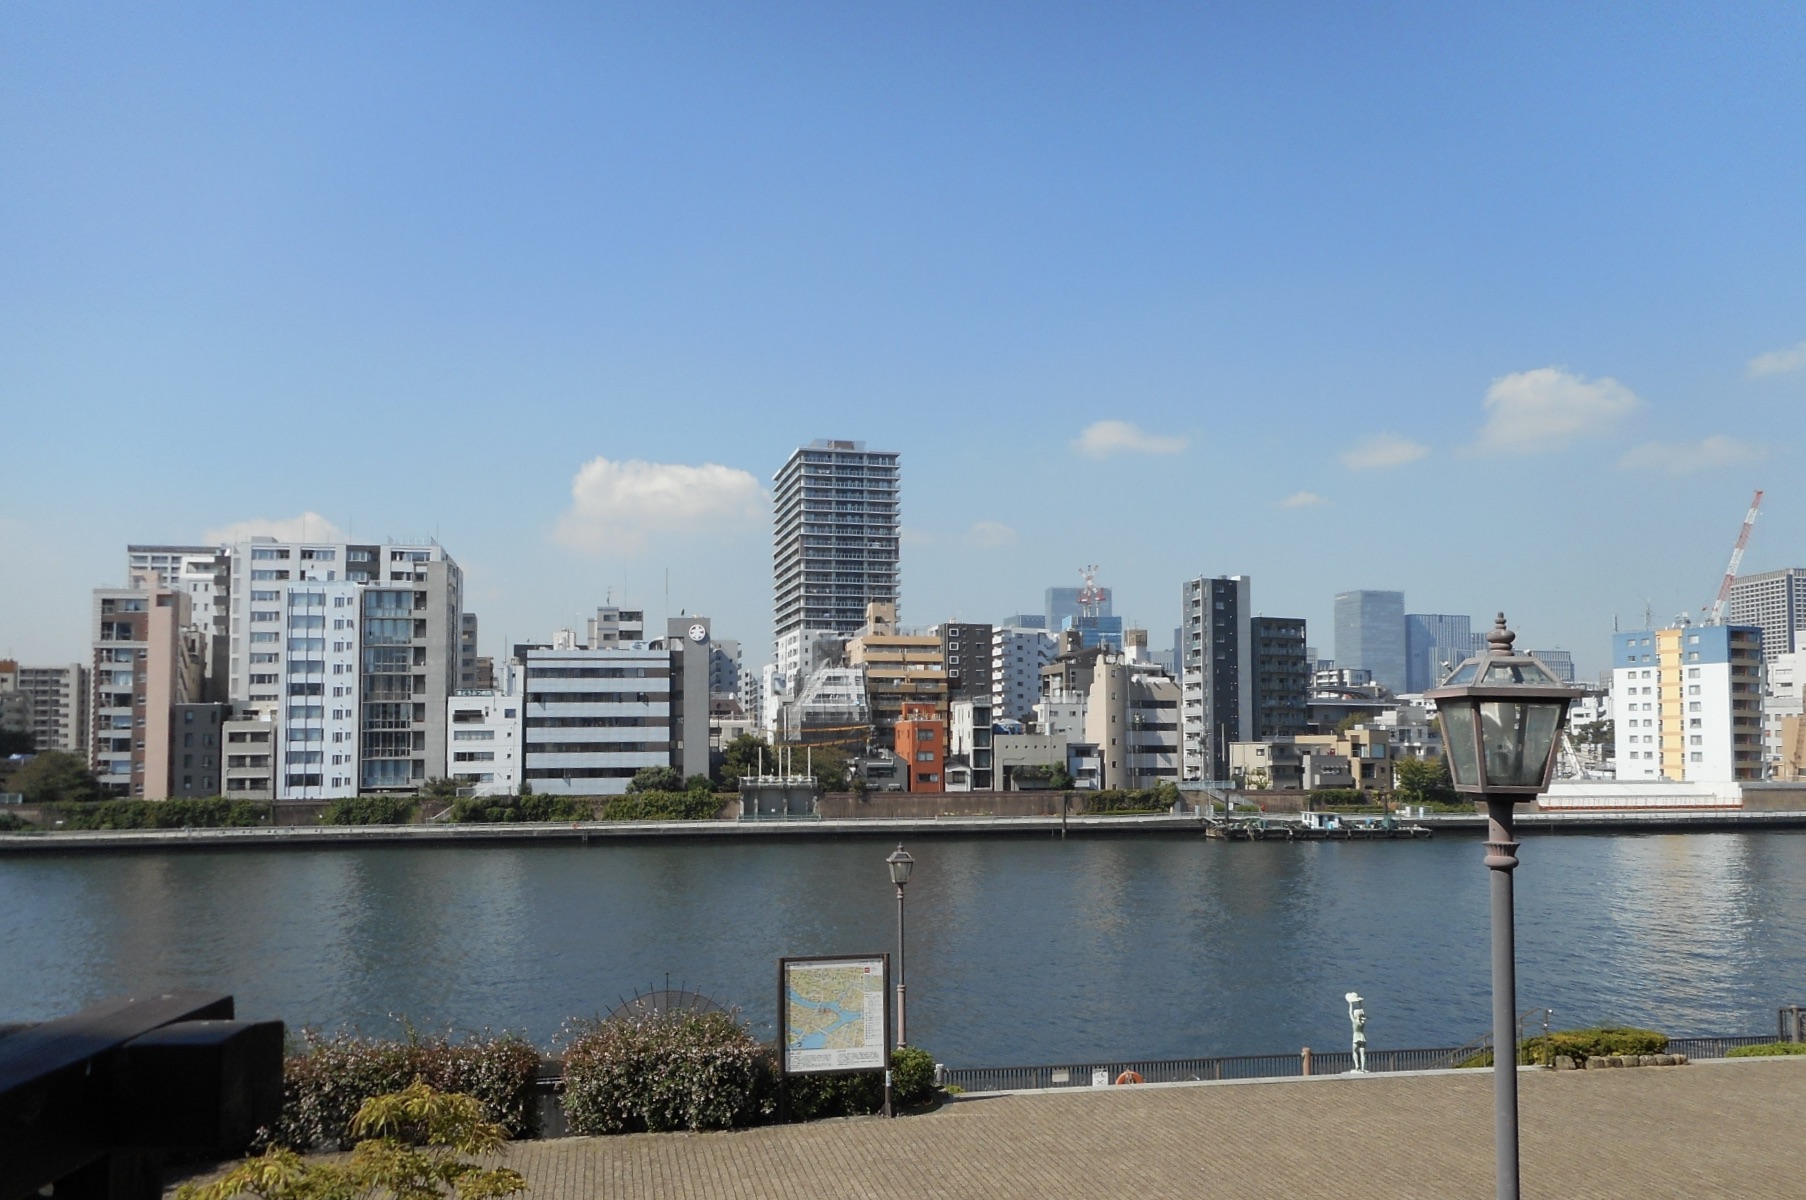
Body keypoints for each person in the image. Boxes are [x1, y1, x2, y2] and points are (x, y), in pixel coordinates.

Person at [1346, 991, 1368, 1072]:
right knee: (1362, 1054)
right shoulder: (1363, 1022)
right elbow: (1363, 1013)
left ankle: (1356, 1065)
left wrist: (1350, 1004)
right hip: (1362, 1037)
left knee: (1354, 1052)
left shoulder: (1354, 1022)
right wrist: (1360, 1004)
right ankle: (1362, 1067)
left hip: (1356, 1037)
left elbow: (1350, 1013)